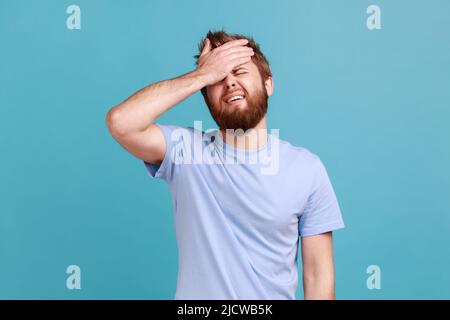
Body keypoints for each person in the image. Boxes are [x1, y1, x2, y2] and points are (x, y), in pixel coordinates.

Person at [106, 30, 345, 300]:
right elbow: (121, 123)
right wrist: (201, 75)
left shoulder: (307, 169)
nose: (229, 82)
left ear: (268, 84)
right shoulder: (185, 151)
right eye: (219, 77)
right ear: (206, 96)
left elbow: (318, 278)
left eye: (239, 71)